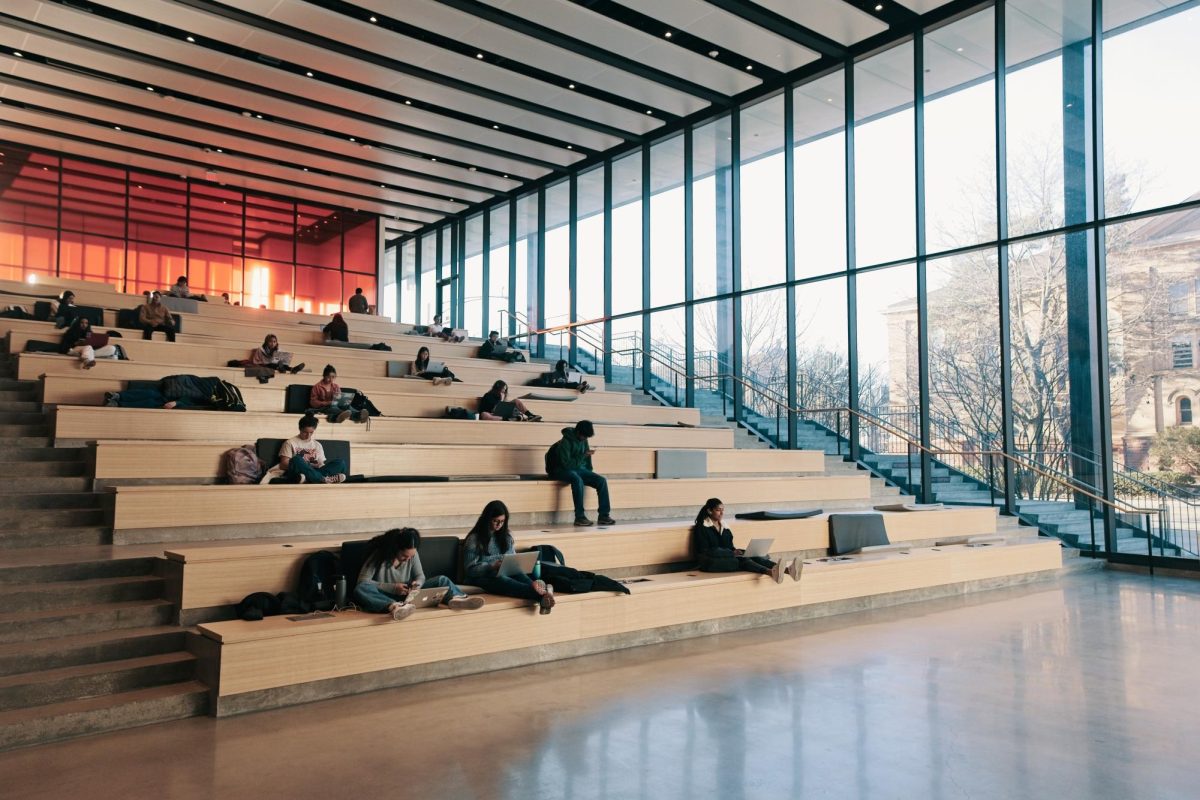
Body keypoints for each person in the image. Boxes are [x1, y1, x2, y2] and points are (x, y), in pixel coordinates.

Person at [354, 527, 485, 621]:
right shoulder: (378, 556)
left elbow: (420, 576)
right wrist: (393, 588)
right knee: (361, 589)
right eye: (404, 556)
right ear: (395, 549)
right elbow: (363, 582)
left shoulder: (412, 555)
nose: (408, 559)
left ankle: (456, 599)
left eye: (411, 556)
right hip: (382, 597)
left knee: (442, 580)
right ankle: (394, 607)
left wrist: (417, 584)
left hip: (407, 595)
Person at [462, 500, 556, 614]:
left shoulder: (506, 536)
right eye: (495, 521)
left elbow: (512, 559)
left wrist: (512, 563)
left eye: (502, 521)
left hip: (504, 571)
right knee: (502, 579)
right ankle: (543, 593)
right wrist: (491, 566)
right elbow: (469, 570)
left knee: (519, 574)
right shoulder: (474, 539)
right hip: (481, 577)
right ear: (487, 519)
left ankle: (541, 593)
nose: (499, 525)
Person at [691, 498, 800, 584]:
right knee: (742, 561)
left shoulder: (725, 527)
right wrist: (731, 553)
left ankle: (788, 570)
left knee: (754, 557)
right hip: (709, 562)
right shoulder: (701, 527)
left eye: (723, 510)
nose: (721, 513)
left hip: (725, 557)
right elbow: (706, 550)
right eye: (718, 510)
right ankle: (771, 572)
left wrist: (737, 551)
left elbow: (729, 547)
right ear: (709, 511)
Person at [546, 420, 613, 527]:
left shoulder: (584, 439)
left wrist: (589, 474)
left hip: (577, 469)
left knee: (601, 480)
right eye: (584, 436)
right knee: (577, 479)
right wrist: (583, 455)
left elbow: (586, 462)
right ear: (578, 432)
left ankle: (604, 515)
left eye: (587, 437)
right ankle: (579, 517)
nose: (585, 439)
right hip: (559, 470)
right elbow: (566, 465)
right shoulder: (565, 442)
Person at [277, 415, 347, 484]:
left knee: (340, 463)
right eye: (305, 432)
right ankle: (322, 479)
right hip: (299, 471)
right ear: (300, 429)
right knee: (296, 459)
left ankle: (311, 479)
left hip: (313, 472)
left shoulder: (317, 445)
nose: (308, 435)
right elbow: (283, 464)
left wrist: (316, 467)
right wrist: (305, 466)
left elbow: (321, 465)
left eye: (311, 432)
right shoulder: (290, 443)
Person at [236, 334, 304, 374]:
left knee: (280, 363)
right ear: (266, 342)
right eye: (270, 342)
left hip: (276, 364)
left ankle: (292, 369)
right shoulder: (260, 349)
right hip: (264, 365)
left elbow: (281, 360)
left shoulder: (278, 350)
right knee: (271, 364)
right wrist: (264, 362)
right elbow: (255, 360)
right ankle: (282, 369)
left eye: (274, 342)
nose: (273, 343)